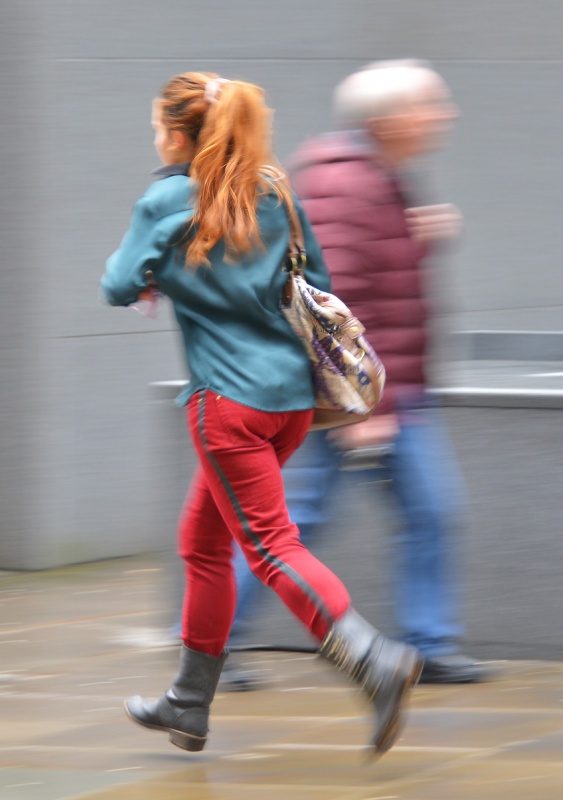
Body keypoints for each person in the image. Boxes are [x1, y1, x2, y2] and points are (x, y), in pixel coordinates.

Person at [100, 71, 423, 758]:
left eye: (161, 129)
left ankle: (372, 659)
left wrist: (168, 270)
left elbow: (117, 284)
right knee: (202, 543)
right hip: (289, 405)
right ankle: (188, 703)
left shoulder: (166, 198)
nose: (157, 139)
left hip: (227, 405)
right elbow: (321, 286)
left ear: (180, 135)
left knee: (271, 545)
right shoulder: (273, 189)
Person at [225, 59, 491, 685]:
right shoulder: (346, 183)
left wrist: (419, 237)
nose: (443, 115)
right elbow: (330, 298)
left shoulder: (380, 178)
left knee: (431, 512)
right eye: (431, 103)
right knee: (290, 526)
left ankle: (428, 645)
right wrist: (359, 407)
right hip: (348, 398)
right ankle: (209, 647)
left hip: (388, 391)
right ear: (391, 119)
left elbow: (374, 279)